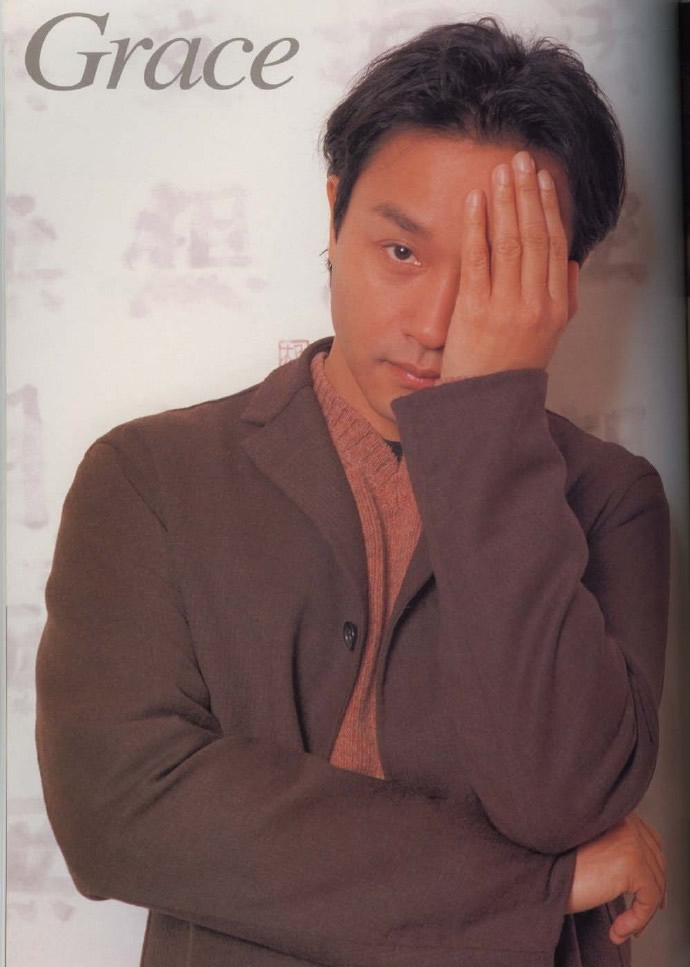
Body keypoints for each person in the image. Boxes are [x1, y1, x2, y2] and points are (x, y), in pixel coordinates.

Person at [36, 17, 670, 967]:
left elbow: (561, 797)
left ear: (558, 291)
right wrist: (534, 886)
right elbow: (118, 808)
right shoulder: (150, 477)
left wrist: (488, 424)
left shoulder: (613, 498)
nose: (435, 323)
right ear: (335, 217)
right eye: (401, 253)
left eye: (493, 273)